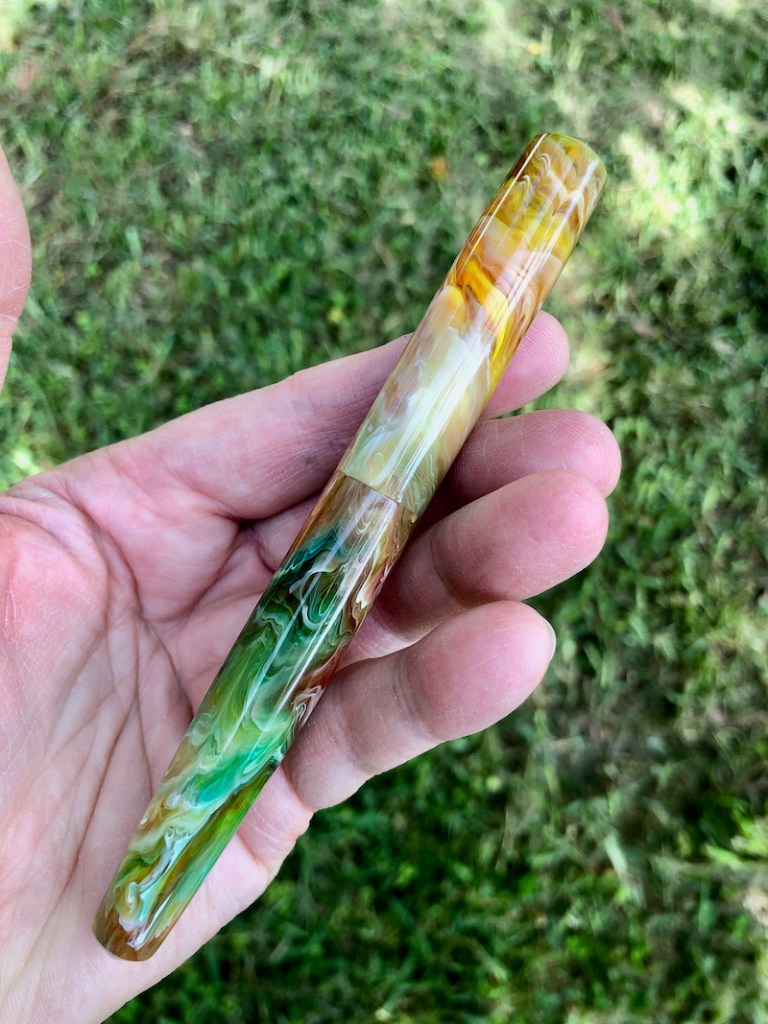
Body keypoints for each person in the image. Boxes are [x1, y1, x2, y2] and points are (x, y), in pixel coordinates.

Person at [0, 145, 620, 1023]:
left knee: (319, 620)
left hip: (378, 503)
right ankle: (144, 899)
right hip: (370, 501)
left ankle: (147, 898)